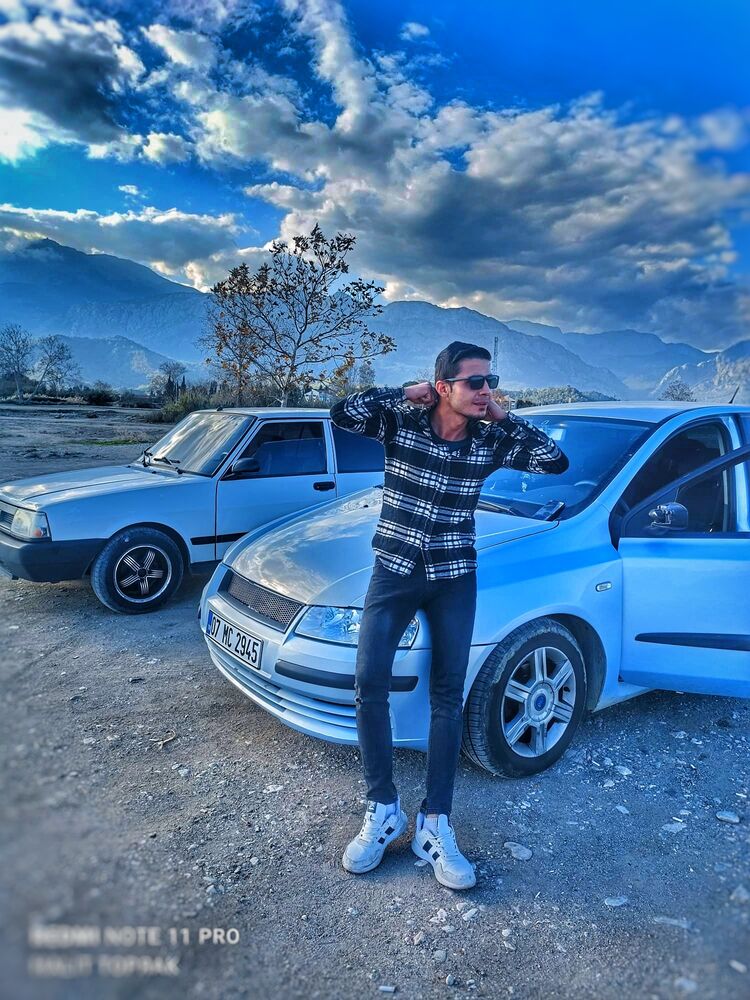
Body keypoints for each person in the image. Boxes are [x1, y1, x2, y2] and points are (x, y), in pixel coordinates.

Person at [329, 341, 569, 889]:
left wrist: (504, 416)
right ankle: (382, 809)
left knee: (448, 693)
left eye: (491, 381)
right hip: (394, 571)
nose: (487, 391)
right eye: (475, 383)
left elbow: (554, 461)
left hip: (455, 576)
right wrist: (405, 391)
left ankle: (434, 822)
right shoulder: (401, 423)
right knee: (369, 683)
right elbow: (343, 412)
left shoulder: (490, 440)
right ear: (443, 387)